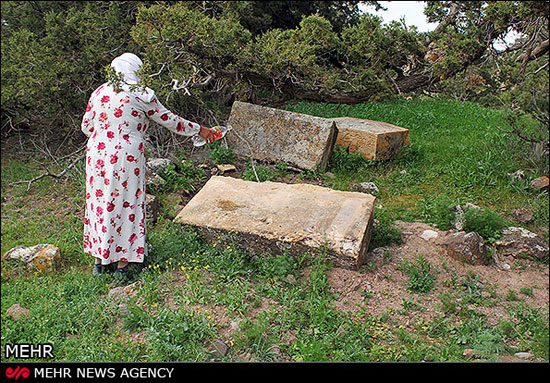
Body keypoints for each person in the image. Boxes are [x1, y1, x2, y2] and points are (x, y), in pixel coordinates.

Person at [81, 53, 215, 277]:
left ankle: (99, 262)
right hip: (126, 157)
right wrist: (199, 129)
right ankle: (122, 266)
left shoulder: (99, 92)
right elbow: (170, 120)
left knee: (100, 203)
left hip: (97, 155)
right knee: (126, 204)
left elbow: (86, 126)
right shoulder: (141, 94)